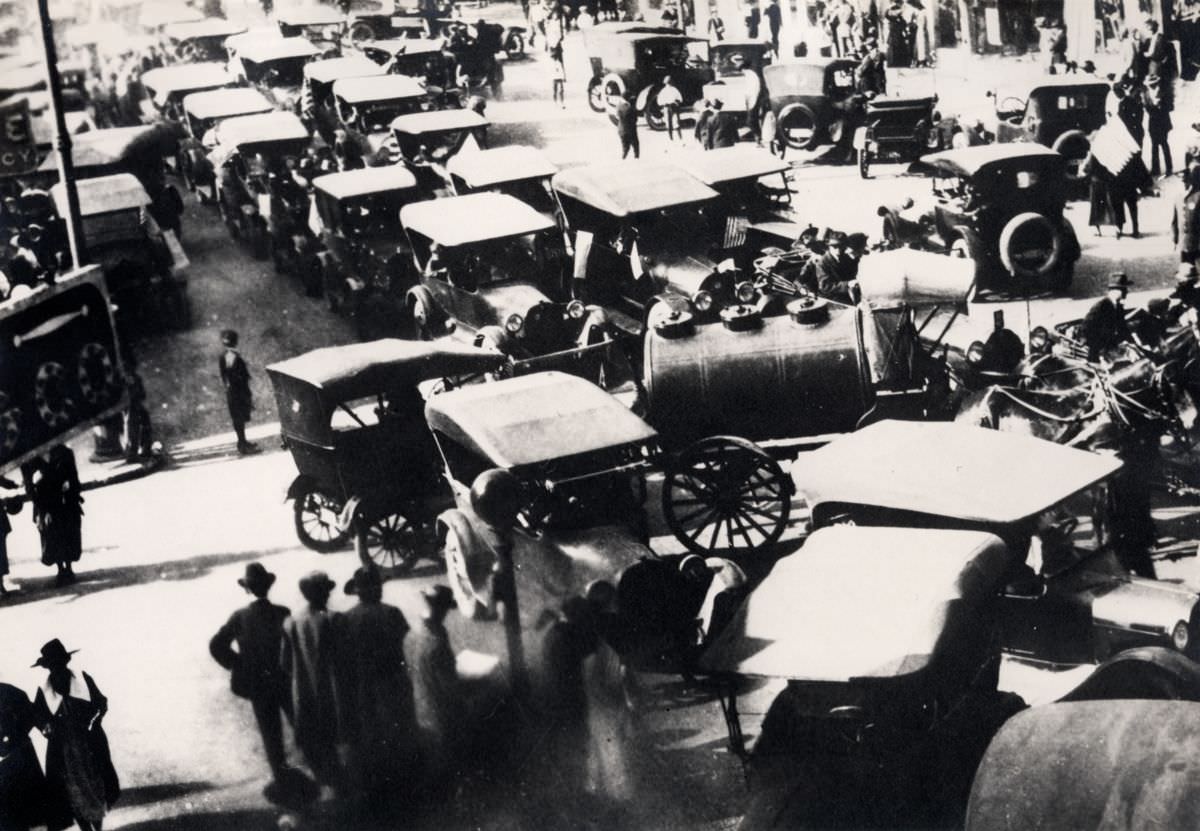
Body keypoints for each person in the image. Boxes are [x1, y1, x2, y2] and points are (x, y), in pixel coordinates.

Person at [209, 563, 296, 795]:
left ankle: (282, 779)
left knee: (270, 734)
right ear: (268, 586)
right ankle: (321, 772)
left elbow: (216, 645)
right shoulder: (283, 612)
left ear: (247, 589)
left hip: (258, 684)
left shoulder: (239, 617)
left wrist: (238, 664)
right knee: (299, 723)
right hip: (283, 679)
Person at [336, 565, 417, 811]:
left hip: (363, 685)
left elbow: (344, 659)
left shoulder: (346, 619)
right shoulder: (392, 613)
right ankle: (405, 788)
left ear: (357, 593)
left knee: (371, 735)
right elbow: (403, 643)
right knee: (399, 730)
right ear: (376, 589)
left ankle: (377, 790)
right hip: (392, 681)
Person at [31, 639, 120, 831]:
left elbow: (101, 703)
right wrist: (45, 726)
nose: (56, 669)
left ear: (65, 662)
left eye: (59, 664)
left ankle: (97, 826)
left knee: (95, 785)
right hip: (62, 749)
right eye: (52, 666)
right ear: (48, 667)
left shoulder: (82, 680)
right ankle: (85, 828)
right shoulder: (44, 689)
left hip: (88, 743)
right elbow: (37, 714)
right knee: (70, 791)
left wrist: (93, 721)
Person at [280, 571, 341, 796]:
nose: (328, 595)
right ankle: (338, 788)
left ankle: (323, 784)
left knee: (311, 740)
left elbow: (285, 664)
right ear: (322, 593)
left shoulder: (291, 622)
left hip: (302, 692)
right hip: (328, 690)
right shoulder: (332, 620)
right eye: (326, 590)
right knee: (332, 741)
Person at [410, 584, 468, 783]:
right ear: (442, 609)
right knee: (446, 758)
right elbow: (450, 688)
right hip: (439, 710)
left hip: (419, 702)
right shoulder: (437, 643)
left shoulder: (415, 630)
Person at [1, 680, 59, 830]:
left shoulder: (11, 692)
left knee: (30, 813)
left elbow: (31, 716)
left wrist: (12, 738)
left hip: (17, 756)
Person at [30, 446, 83, 587]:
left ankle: (69, 568)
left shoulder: (64, 453)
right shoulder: (31, 457)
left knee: (69, 534)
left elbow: (74, 477)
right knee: (52, 536)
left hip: (66, 502)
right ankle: (60, 570)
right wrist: (42, 511)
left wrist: (71, 487)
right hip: (46, 505)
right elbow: (30, 489)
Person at [218, 329, 258, 455]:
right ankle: (242, 445)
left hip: (233, 391)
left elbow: (225, 376)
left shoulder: (225, 356)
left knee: (239, 418)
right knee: (239, 418)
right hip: (238, 392)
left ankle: (243, 442)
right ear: (235, 342)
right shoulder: (232, 356)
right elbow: (234, 375)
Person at [1081, 273, 1134, 361]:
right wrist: (1100, 348)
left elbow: (1123, 328)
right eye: (1125, 289)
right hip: (1099, 352)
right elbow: (1086, 328)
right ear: (1118, 291)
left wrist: (1132, 343)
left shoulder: (1119, 307)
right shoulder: (1101, 306)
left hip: (1113, 348)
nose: (1127, 292)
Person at [814, 231, 861, 303]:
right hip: (831, 299)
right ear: (828, 246)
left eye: (841, 246)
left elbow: (854, 275)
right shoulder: (822, 263)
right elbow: (825, 287)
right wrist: (848, 284)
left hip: (848, 295)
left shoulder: (848, 257)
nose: (838, 250)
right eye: (835, 247)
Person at [1173, 166, 1200, 263]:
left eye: (1185, 180)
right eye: (1181, 180)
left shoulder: (1197, 196)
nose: (1183, 183)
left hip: (1196, 242)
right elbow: (1175, 220)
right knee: (1186, 269)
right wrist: (1175, 239)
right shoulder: (1178, 198)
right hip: (1183, 242)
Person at [657, 76, 683, 141]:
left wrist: (676, 102)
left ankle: (680, 139)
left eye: (669, 82)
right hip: (667, 108)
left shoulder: (674, 89)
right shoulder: (663, 91)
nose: (669, 84)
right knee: (669, 124)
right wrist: (664, 104)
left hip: (673, 107)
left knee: (676, 123)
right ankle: (671, 139)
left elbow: (680, 98)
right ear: (665, 83)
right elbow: (659, 101)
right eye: (668, 83)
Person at [883, 0, 909, 67]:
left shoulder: (900, 19)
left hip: (900, 38)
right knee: (893, 53)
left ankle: (901, 64)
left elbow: (904, 25)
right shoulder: (891, 18)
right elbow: (886, 14)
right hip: (893, 38)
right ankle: (893, 64)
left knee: (901, 52)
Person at [614, 93, 639, 159]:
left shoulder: (618, 105)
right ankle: (637, 160)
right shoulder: (630, 106)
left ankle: (623, 159)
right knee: (636, 146)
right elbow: (635, 118)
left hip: (621, 130)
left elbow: (617, 116)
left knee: (625, 148)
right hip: (630, 129)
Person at [550, 41, 566, 107]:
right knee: (555, 90)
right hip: (554, 77)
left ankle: (562, 103)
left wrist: (563, 77)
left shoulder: (559, 62)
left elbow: (562, 69)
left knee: (561, 90)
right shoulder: (551, 63)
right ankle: (555, 102)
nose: (554, 57)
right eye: (554, 57)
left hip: (559, 77)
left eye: (555, 56)